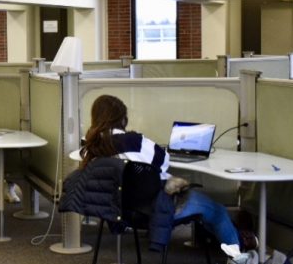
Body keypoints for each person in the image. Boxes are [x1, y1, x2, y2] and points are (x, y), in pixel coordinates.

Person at [81, 94, 241, 248]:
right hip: (159, 206)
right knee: (218, 212)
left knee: (206, 209)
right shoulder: (134, 141)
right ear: (122, 119)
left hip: (124, 211)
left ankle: (233, 242)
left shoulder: (92, 147)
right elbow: (163, 160)